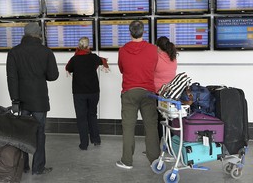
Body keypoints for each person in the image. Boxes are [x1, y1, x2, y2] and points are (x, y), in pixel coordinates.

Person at [6, 22, 59, 175]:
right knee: (39, 134)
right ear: (39, 34)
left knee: (22, 133)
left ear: (25, 33)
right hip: (39, 100)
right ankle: (38, 168)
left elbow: (11, 78)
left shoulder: (14, 52)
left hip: (21, 101)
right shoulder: (46, 52)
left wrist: (15, 100)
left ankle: (23, 166)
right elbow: (53, 76)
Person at [116, 20, 160, 169]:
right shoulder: (153, 49)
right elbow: (153, 67)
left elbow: (122, 69)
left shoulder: (122, 50)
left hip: (129, 92)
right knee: (151, 126)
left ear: (130, 32)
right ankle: (154, 160)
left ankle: (127, 161)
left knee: (128, 127)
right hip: (148, 92)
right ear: (143, 32)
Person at [65, 36, 109, 150]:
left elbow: (68, 68)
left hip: (79, 92)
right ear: (88, 46)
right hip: (94, 92)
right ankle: (96, 139)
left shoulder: (74, 59)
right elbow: (102, 60)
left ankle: (84, 144)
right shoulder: (94, 57)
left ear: (78, 46)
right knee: (92, 115)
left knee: (81, 118)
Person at [154, 36, 178, 140]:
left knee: (158, 120)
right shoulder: (172, 57)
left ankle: (156, 146)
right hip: (171, 93)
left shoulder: (156, 58)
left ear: (158, 47)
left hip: (158, 93)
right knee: (169, 119)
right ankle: (171, 144)